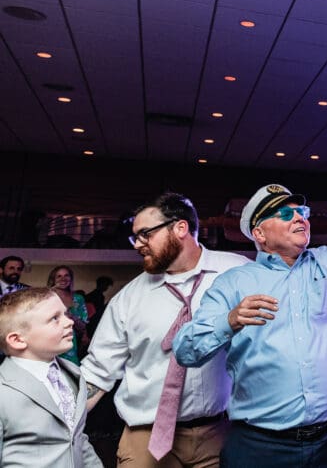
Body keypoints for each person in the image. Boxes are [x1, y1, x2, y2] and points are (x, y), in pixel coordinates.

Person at [173, 184, 327, 467]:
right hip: (260, 446)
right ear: (259, 234)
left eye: (302, 212)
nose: (300, 218)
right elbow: (185, 350)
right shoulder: (233, 283)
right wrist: (229, 321)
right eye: (286, 213)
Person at [81, 192, 248, 466]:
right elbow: (99, 371)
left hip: (221, 433)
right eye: (135, 237)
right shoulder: (129, 297)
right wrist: (60, 418)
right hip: (145, 437)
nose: (137, 244)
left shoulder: (238, 272)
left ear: (181, 228)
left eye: (145, 234)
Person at [0, 287, 102, 467]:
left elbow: (76, 438)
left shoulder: (73, 374)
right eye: (55, 318)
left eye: (65, 314)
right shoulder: (3, 389)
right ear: (17, 340)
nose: (69, 322)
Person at [47, 265, 89, 365]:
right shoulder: (47, 296)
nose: (63, 279)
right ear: (53, 279)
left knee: (71, 373)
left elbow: (83, 326)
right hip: (50, 340)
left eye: (66, 275)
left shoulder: (78, 298)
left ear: (71, 278)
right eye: (59, 276)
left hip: (70, 342)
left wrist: (72, 317)